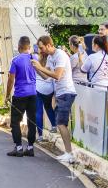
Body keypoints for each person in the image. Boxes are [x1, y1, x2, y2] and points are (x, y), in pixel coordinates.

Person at [32, 35, 77, 164]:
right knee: (60, 123)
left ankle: (70, 154)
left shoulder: (60, 55)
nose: (41, 51)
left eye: (42, 47)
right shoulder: (51, 57)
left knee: (61, 123)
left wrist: (40, 68)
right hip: (60, 93)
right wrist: (37, 68)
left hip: (66, 92)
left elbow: (57, 75)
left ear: (48, 45)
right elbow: (47, 77)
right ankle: (68, 153)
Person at [5, 36, 37, 157]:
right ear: (29, 47)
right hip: (33, 93)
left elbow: (11, 79)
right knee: (31, 120)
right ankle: (30, 147)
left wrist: (7, 95)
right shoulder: (35, 58)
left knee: (15, 121)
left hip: (20, 94)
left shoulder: (16, 60)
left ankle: (18, 147)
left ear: (19, 47)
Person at [34, 48, 56, 141]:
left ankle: (40, 135)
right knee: (48, 107)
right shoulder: (51, 60)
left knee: (38, 111)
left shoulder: (37, 62)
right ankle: (54, 126)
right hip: (49, 88)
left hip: (38, 87)